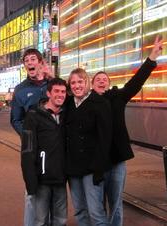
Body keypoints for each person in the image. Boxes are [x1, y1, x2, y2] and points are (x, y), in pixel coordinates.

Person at [91, 36, 163, 226]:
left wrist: (152, 57)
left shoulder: (118, 97)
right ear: (92, 85)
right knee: (97, 205)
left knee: (116, 204)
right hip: (95, 161)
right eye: (97, 79)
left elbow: (136, 82)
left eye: (104, 79)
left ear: (108, 83)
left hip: (116, 160)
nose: (101, 81)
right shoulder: (86, 104)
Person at [10, 48, 53, 226]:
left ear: (41, 63)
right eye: (26, 60)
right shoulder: (21, 90)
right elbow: (15, 119)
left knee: (53, 190)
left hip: (54, 146)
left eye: (33, 59)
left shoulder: (53, 85)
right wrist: (29, 136)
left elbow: (70, 101)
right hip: (32, 148)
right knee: (31, 192)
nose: (29, 62)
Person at [65, 68, 112, 226]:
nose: (77, 85)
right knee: (79, 210)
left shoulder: (100, 103)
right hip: (73, 168)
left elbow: (105, 139)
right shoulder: (69, 104)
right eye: (73, 82)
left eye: (80, 81)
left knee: (96, 212)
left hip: (92, 168)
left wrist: (99, 168)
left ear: (87, 82)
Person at [21, 78, 67, 226]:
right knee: (40, 221)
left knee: (60, 220)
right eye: (56, 91)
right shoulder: (34, 115)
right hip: (41, 180)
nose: (60, 95)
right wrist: (30, 182)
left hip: (60, 179)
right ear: (48, 93)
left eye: (63, 92)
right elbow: (27, 150)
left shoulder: (66, 114)